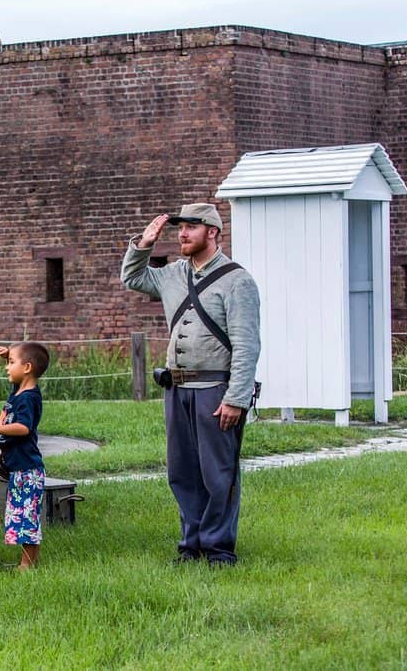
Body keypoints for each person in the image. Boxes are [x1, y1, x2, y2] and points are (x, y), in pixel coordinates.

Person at [121, 203, 261, 566]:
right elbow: (132, 278)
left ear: (212, 232)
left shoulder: (237, 280)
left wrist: (236, 398)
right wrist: (144, 244)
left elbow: (246, 345)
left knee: (218, 472)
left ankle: (218, 548)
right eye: (180, 228)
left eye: (191, 227)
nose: (182, 234)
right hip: (177, 389)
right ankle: (192, 544)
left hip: (216, 390)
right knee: (182, 472)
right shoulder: (172, 274)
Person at [0, 342, 50, 571]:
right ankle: (27, 562)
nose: (7, 367)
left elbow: (23, 427)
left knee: (27, 518)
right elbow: (19, 376)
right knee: (20, 515)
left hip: (28, 470)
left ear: (27, 368)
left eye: (11, 363)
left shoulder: (28, 398)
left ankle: (27, 565)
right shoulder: (19, 391)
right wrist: (9, 355)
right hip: (19, 469)